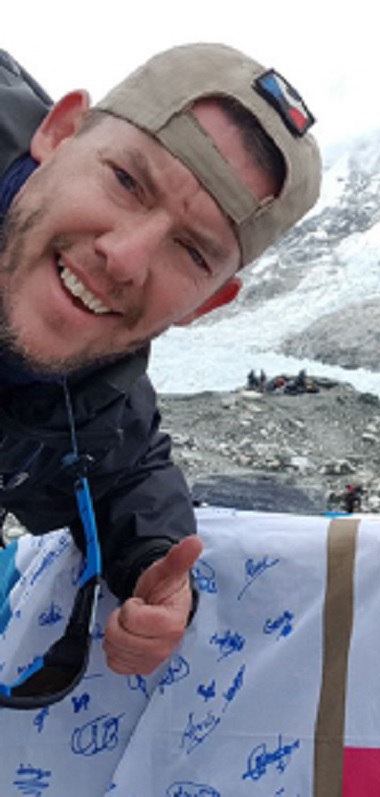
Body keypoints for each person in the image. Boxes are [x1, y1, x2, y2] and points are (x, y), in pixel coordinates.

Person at [0, 44, 321, 677]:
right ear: (59, 132)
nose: (125, 258)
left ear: (209, 303)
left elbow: (126, 470)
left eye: (193, 253)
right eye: (126, 181)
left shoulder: (92, 376)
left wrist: (154, 565)